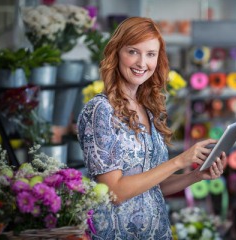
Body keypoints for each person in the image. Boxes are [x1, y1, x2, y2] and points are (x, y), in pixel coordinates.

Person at [77, 16, 226, 239]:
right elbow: (114, 192)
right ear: (117, 52)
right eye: (133, 51)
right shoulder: (100, 110)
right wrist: (179, 160)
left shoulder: (148, 108)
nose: (142, 63)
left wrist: (196, 175)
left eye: (150, 54)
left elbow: (154, 186)